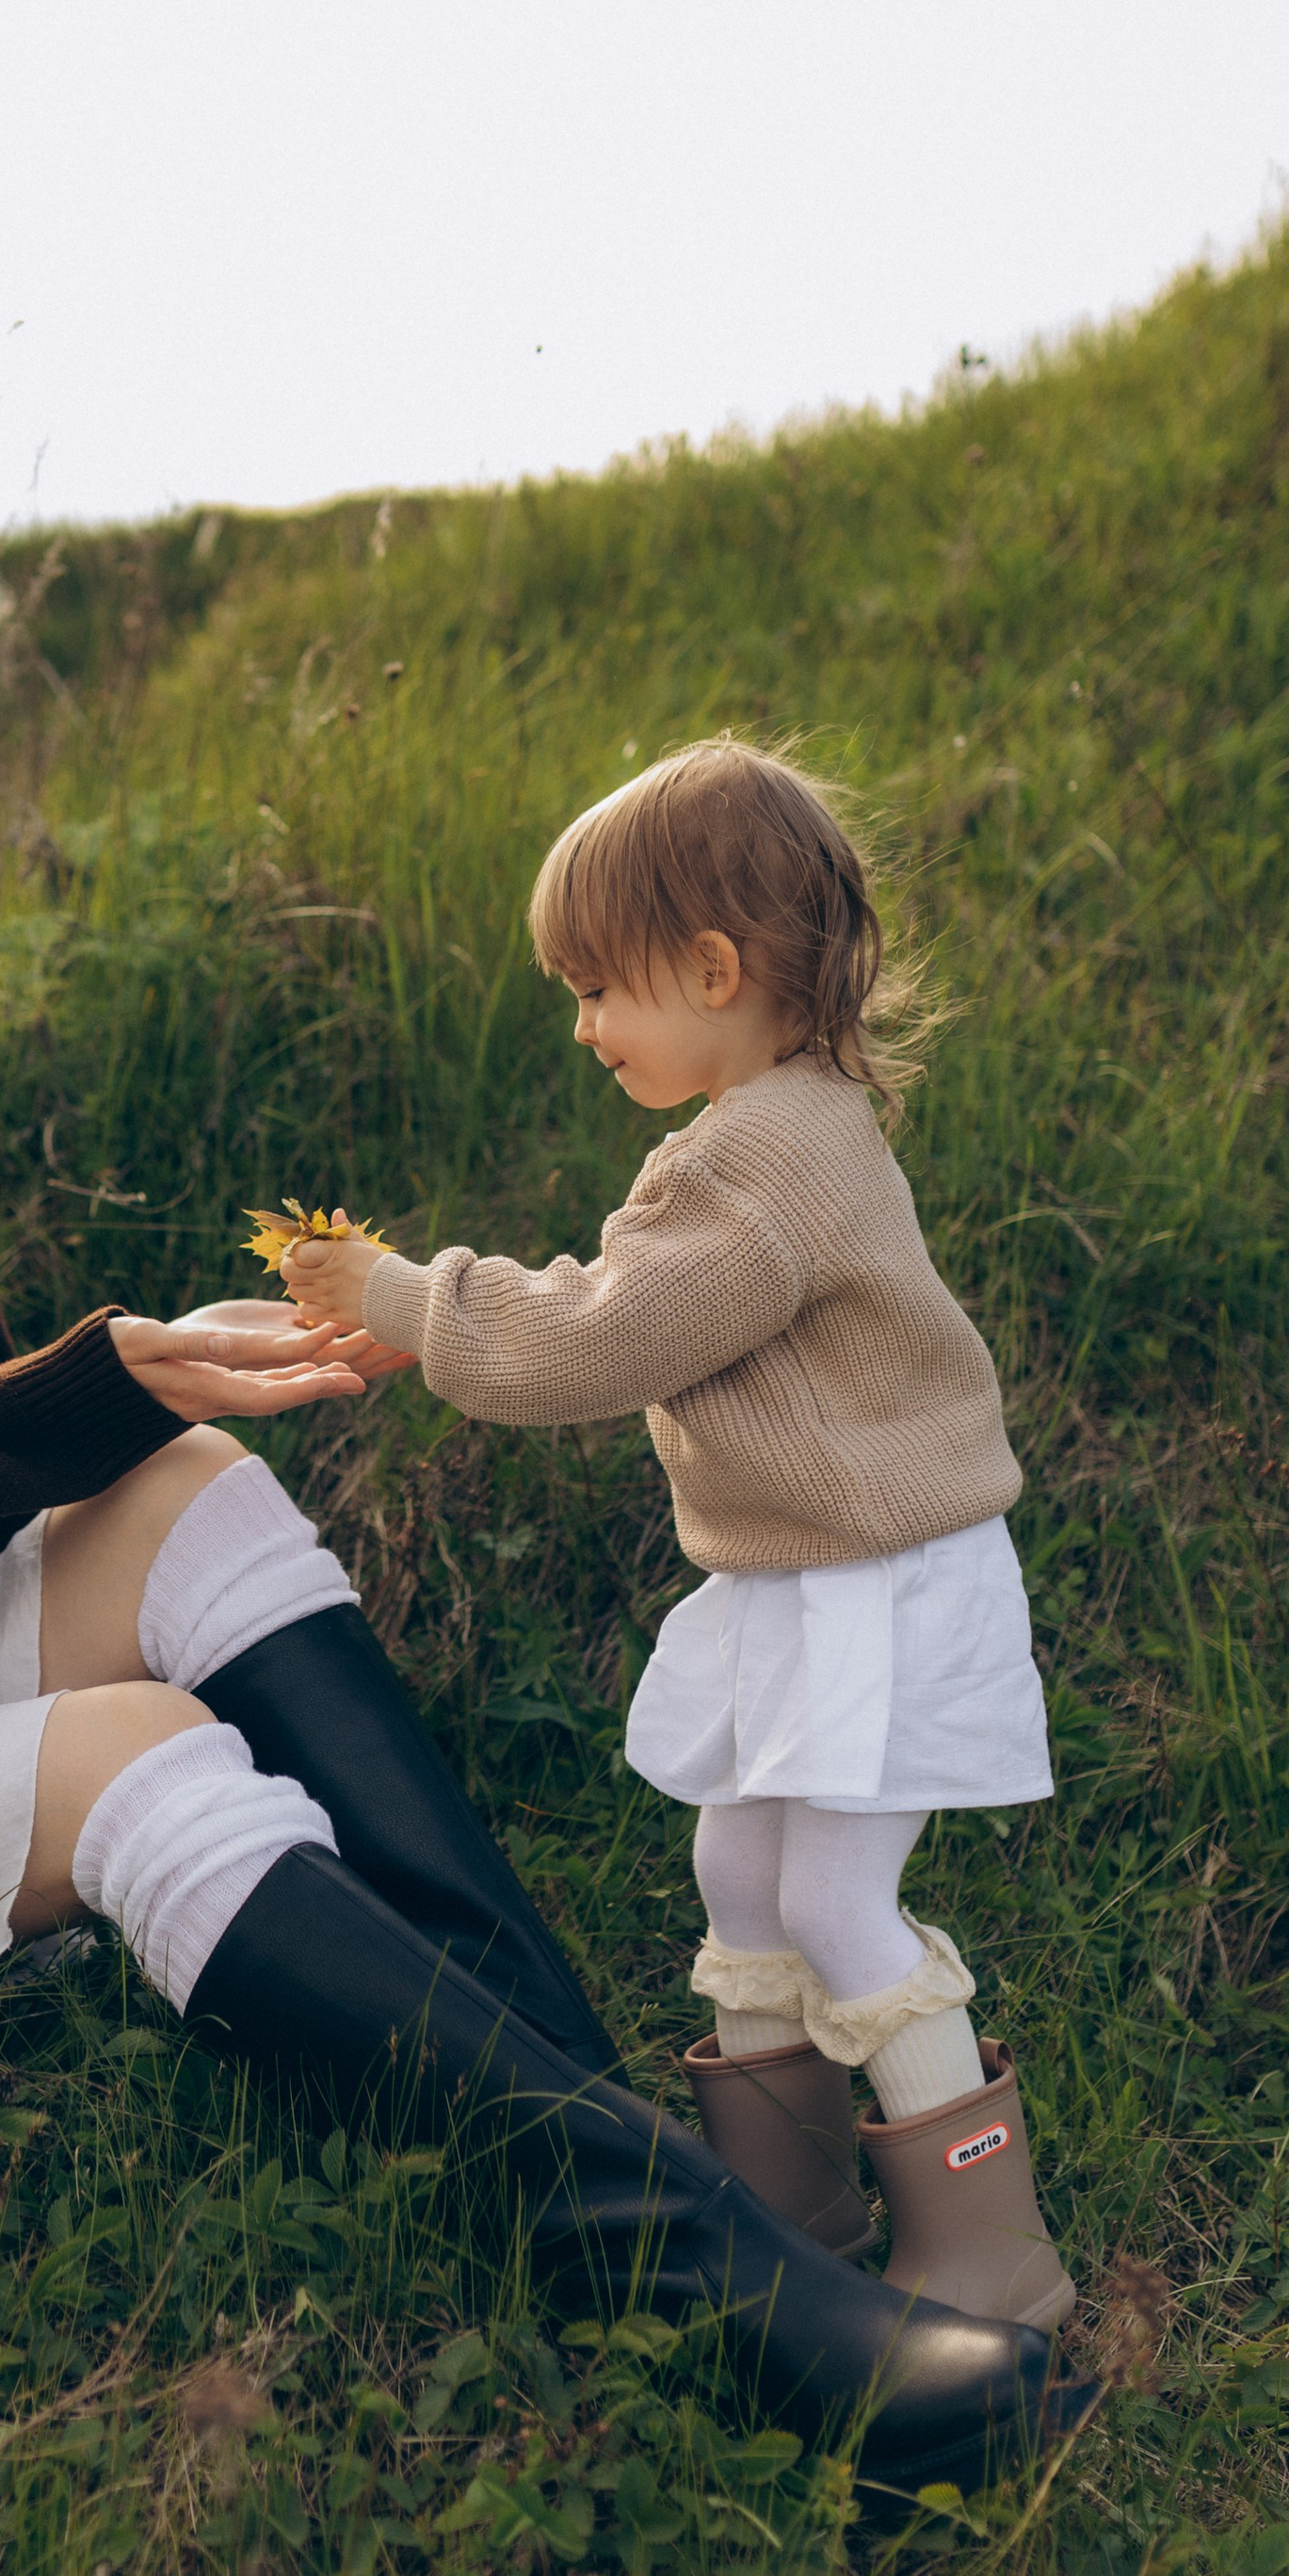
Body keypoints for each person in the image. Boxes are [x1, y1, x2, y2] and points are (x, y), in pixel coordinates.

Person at [0, 666, 1091, 2488]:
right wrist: (81, 1380)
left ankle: (620, 2137)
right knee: (137, 1749)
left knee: (193, 1483)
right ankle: (729, 2304)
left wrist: (132, 1391)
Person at [281, 737, 1076, 2336]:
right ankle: (794, 2207)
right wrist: (434, 1332)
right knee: (740, 1864)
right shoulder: (771, 1130)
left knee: (845, 1904)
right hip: (811, 1578)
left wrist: (405, 1296)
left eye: (598, 987)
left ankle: (994, 2255)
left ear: (713, 969)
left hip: (877, 1589)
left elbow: (595, 1338)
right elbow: (620, 1311)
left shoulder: (767, 1159)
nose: (580, 1026)